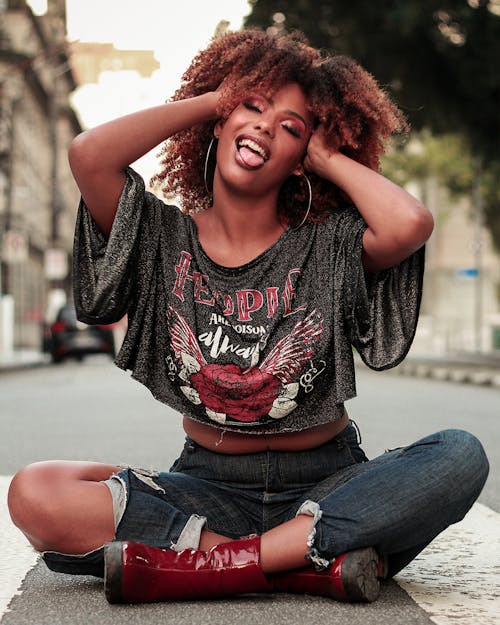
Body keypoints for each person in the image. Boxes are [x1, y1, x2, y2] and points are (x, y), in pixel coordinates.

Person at [8, 29, 488, 605]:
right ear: (219, 121)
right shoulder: (162, 236)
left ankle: (213, 564)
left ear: (299, 161)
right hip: (209, 488)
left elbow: (409, 225)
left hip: (329, 490)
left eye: (290, 128)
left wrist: (326, 155)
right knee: (36, 491)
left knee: (461, 455)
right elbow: (89, 154)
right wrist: (217, 99)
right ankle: (296, 566)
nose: (264, 125)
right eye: (252, 107)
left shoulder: (328, 246)